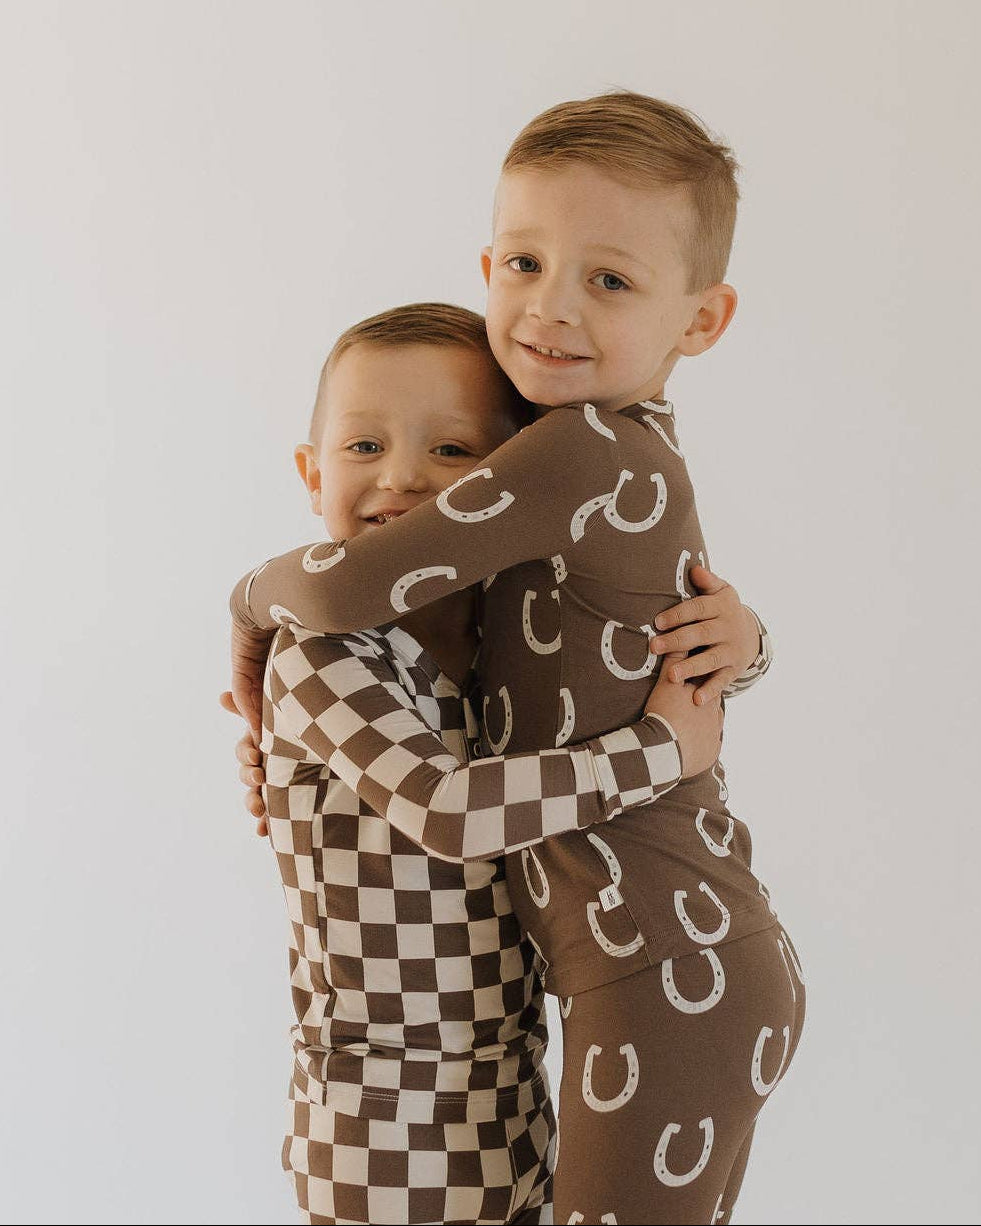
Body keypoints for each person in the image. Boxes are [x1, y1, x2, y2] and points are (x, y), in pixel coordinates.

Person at [222, 300, 774, 1225]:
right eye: (364, 446)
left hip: (511, 1104)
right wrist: (658, 751)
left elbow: (639, 656)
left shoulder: (505, 641)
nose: (401, 476)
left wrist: (743, 642)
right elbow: (449, 810)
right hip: (380, 1122)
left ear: (506, 494)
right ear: (312, 473)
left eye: (452, 451)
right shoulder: (318, 654)